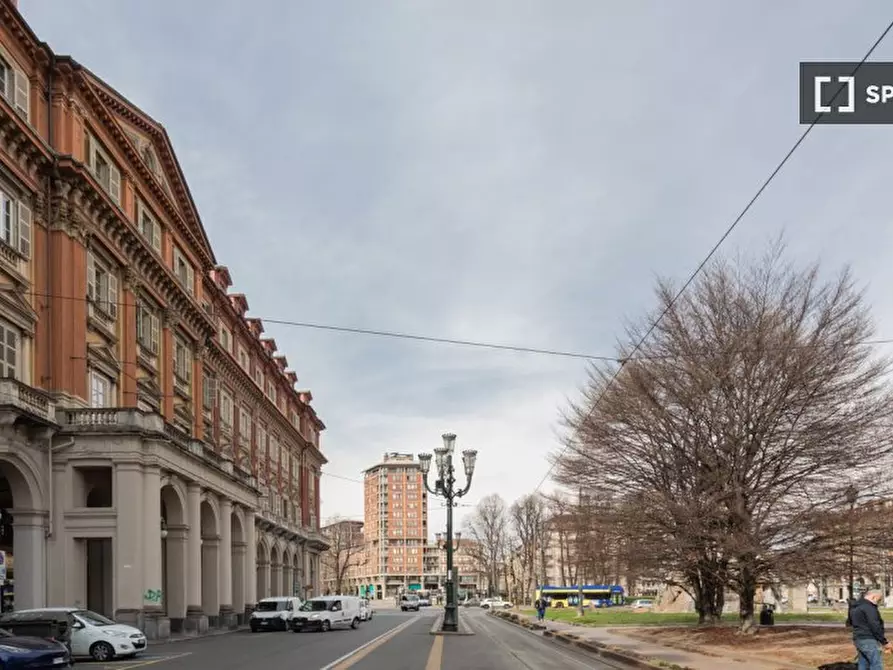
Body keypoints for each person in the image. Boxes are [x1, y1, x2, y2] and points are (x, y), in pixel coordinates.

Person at [850, 589, 892, 670]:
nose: (878, 602)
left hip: (858, 638)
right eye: (879, 599)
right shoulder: (869, 607)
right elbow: (875, 625)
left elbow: (850, 622)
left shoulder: (855, 606)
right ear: (874, 597)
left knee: (863, 664)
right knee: (876, 665)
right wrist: (884, 642)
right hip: (869, 639)